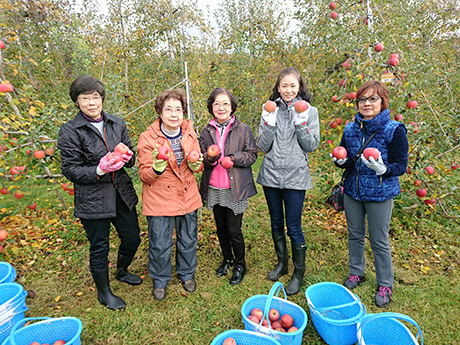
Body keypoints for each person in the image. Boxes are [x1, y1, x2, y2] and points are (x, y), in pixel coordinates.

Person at [57, 75, 142, 311]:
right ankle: (104, 293)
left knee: (132, 237)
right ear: (77, 101)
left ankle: (122, 270)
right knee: (99, 246)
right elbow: (70, 170)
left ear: (102, 99)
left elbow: (131, 154)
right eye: (85, 98)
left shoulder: (117, 123)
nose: (91, 103)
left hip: (120, 193)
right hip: (93, 198)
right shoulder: (70, 131)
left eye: (95, 97)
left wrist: (128, 157)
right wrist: (98, 168)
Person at [332, 80, 408, 308]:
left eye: (373, 99)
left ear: (383, 102)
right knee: (355, 235)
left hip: (380, 195)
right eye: (362, 99)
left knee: (379, 240)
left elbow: (401, 165)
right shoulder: (350, 128)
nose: (367, 104)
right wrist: (341, 161)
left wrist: (384, 170)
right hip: (353, 193)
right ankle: (357, 272)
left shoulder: (394, 130)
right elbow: (346, 160)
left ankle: (385, 283)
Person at [257, 67, 320, 296]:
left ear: (300, 86)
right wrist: (269, 122)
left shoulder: (310, 111)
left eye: (293, 85)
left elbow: (311, 146)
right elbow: (263, 146)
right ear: (278, 87)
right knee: (276, 223)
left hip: (296, 176)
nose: (289, 90)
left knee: (293, 226)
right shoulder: (269, 109)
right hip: (271, 175)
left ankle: (298, 273)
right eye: (284, 85)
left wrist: (301, 123)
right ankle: (282, 264)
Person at [137, 88, 203, 301]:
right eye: (169, 109)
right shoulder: (148, 138)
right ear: (160, 112)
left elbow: (195, 164)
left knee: (188, 238)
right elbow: (145, 175)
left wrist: (196, 165)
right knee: (159, 242)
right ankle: (160, 279)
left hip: (186, 194)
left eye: (178, 109)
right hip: (160, 198)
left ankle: (187, 273)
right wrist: (156, 167)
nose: (174, 114)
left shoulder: (190, 133)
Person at [199, 88, 258, 286]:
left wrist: (233, 158)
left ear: (232, 106)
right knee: (221, 228)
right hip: (215, 187)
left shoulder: (243, 129)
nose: (221, 107)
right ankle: (227, 259)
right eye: (216, 104)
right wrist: (209, 158)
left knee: (234, 230)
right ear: (211, 107)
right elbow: (201, 156)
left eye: (225, 103)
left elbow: (252, 154)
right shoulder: (206, 131)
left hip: (235, 188)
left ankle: (240, 264)